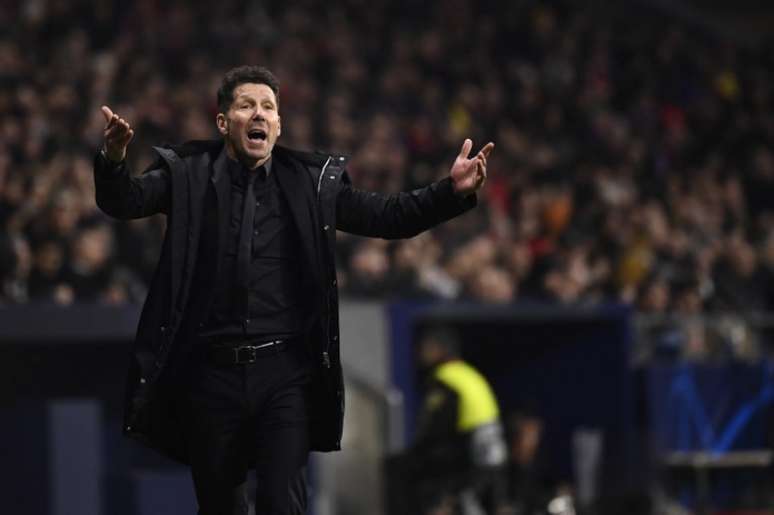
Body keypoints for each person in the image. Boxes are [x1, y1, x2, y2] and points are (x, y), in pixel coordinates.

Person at [93, 65, 493, 515]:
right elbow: (123, 201)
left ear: (279, 125)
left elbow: (388, 217)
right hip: (210, 374)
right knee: (221, 505)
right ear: (224, 122)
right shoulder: (186, 174)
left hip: (283, 374)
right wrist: (112, 159)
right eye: (246, 105)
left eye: (268, 107)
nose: (258, 114)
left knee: (281, 500)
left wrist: (451, 192)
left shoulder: (310, 182)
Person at [410, 326, 507, 515]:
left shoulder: (446, 378)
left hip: (467, 464)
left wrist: (417, 457)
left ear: (437, 349)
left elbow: (436, 429)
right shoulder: (469, 374)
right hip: (492, 462)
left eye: (425, 348)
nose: (420, 353)